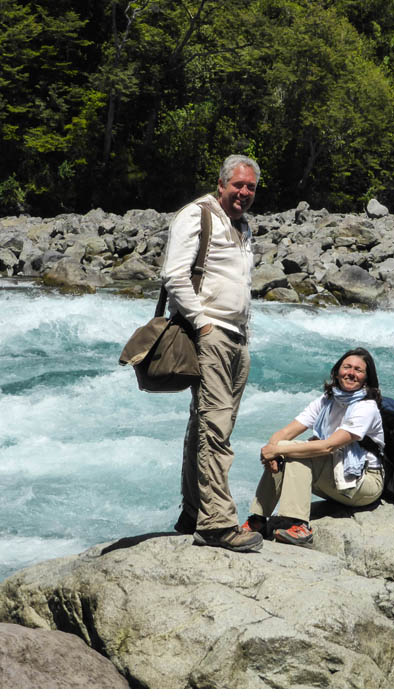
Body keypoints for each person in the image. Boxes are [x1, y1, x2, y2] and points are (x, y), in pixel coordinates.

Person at [162, 154, 263, 552]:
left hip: (236, 336)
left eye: (250, 187)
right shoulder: (197, 215)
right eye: (238, 185)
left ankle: (193, 512)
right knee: (215, 430)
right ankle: (217, 523)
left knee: (207, 426)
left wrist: (243, 333)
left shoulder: (242, 226)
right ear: (221, 184)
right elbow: (173, 274)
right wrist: (202, 324)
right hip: (210, 335)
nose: (243, 193)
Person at [242, 347, 385, 547]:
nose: (351, 373)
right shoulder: (326, 400)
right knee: (285, 449)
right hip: (336, 473)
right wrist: (272, 453)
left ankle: (299, 526)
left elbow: (327, 447)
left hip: (364, 482)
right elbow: (284, 434)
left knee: (295, 452)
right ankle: (257, 520)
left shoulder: (366, 407)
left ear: (366, 379)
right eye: (347, 367)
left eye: (359, 370)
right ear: (336, 372)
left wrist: (279, 450)